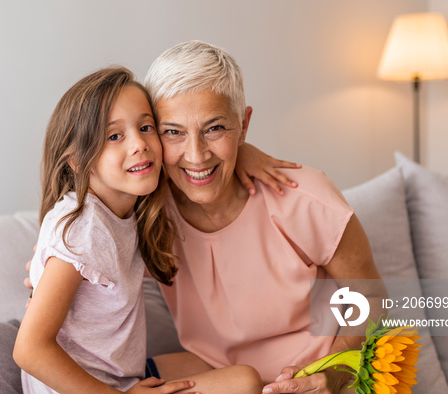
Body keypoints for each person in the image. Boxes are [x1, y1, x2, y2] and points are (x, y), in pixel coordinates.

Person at [139, 40, 384, 394]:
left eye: (215, 128)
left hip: (315, 374)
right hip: (221, 378)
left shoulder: (305, 200)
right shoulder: (150, 213)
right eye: (173, 132)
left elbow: (371, 300)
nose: (196, 154)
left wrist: (334, 373)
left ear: (244, 124)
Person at [13, 66, 264, 394]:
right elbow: (29, 350)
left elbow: (205, 161)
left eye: (146, 127)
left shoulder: (134, 207)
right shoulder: (84, 229)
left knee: (202, 364)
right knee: (245, 381)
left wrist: (245, 153)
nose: (139, 144)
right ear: (76, 161)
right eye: (115, 136)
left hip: (116, 375)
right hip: (90, 387)